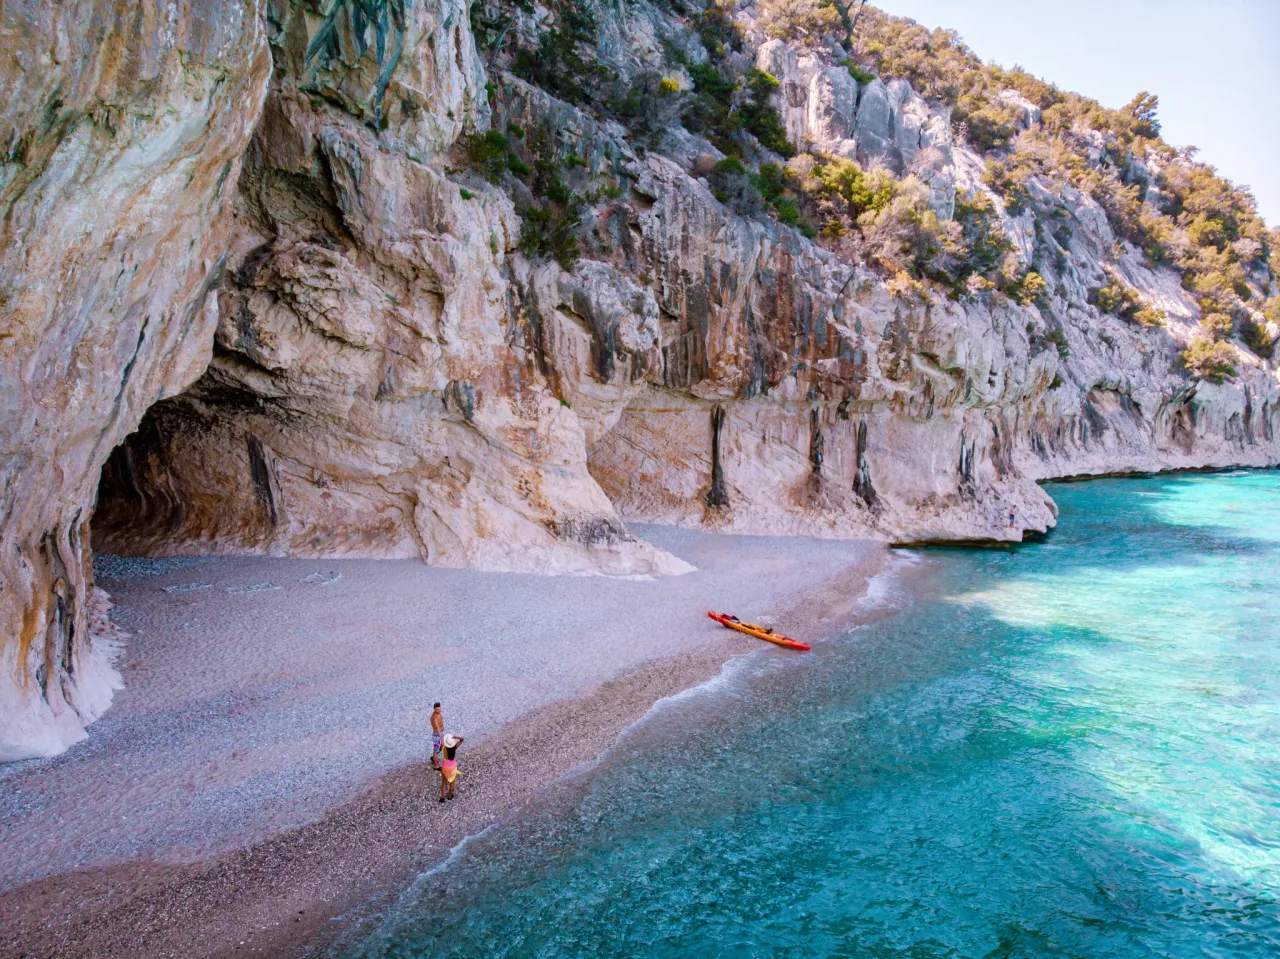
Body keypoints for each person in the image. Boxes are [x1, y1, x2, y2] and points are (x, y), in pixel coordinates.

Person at [439, 733, 464, 802]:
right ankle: (450, 796)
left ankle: (442, 797)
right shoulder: (454, 747)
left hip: (444, 766)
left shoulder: (443, 747)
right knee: (452, 782)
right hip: (452, 767)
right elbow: (462, 739)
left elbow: (439, 749)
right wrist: (456, 737)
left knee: (444, 782)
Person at [430, 703, 444, 770]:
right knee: (436, 750)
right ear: (434, 709)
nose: (438, 710)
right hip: (437, 735)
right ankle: (436, 766)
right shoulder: (434, 717)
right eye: (437, 709)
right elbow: (437, 728)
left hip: (441, 733)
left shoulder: (439, 714)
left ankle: (434, 757)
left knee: (441, 747)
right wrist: (442, 739)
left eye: (439, 709)